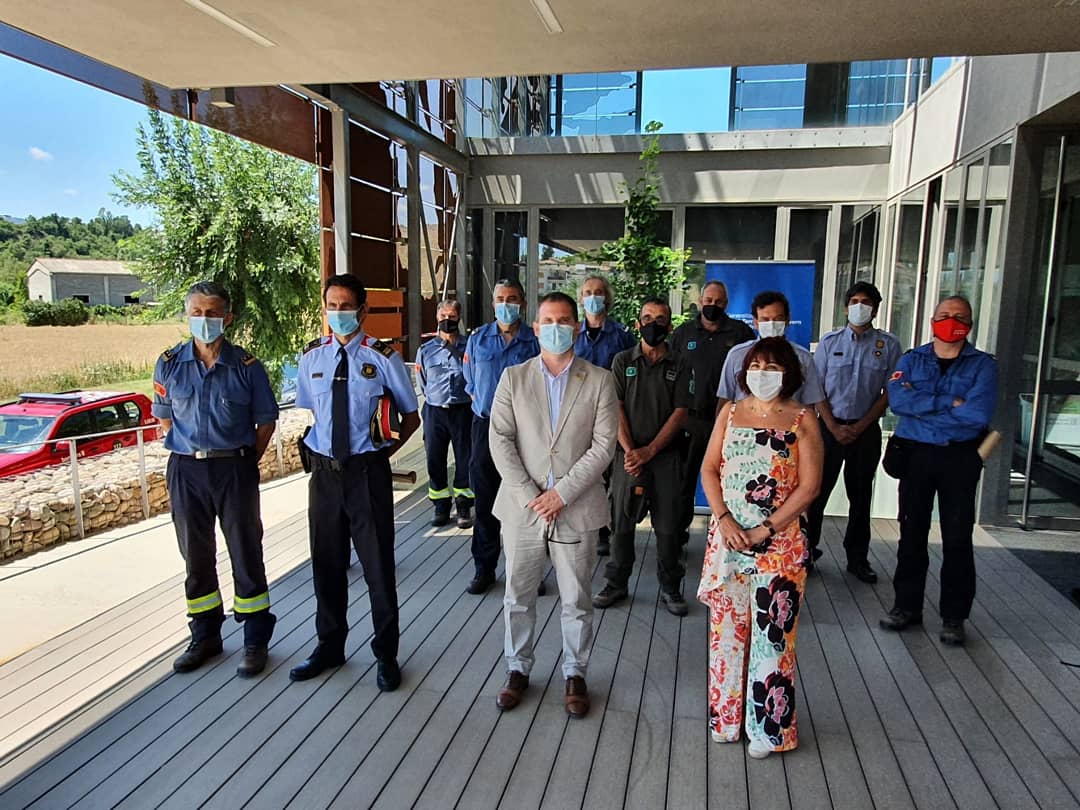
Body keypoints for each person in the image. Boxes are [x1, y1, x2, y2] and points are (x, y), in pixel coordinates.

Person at [488, 292, 618, 717]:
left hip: (575, 506)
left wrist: (561, 494)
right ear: (536, 327)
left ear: (577, 328)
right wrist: (532, 496)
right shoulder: (514, 378)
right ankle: (517, 668)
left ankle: (575, 671)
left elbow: (603, 446)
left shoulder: (599, 380)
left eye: (565, 320)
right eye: (548, 320)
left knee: (575, 597)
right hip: (522, 508)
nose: (557, 327)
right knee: (518, 594)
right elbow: (500, 439)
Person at [290, 275, 420, 690]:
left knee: (378, 568)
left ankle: (386, 653)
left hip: (367, 474)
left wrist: (381, 455)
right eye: (332, 305)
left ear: (363, 311)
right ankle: (330, 645)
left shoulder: (383, 358)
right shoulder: (311, 359)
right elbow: (314, 413)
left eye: (347, 306)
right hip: (324, 476)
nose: (339, 313)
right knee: (326, 566)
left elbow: (409, 415)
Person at [697, 337, 823, 758]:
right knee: (726, 634)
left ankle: (769, 729)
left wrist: (764, 529)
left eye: (772, 367)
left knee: (774, 639)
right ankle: (725, 719)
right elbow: (710, 469)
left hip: (780, 544)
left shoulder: (803, 418)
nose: (763, 373)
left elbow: (809, 488)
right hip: (728, 541)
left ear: (789, 373)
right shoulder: (730, 413)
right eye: (756, 365)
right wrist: (725, 519)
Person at [153, 281, 279, 678]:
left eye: (212, 313)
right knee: (195, 555)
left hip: (234, 467)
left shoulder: (247, 367)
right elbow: (164, 416)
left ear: (228, 317)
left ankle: (255, 639)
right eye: (197, 313)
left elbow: (265, 422)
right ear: (187, 315)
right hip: (186, 469)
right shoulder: (169, 363)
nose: (204, 320)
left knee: (246, 550)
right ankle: (205, 634)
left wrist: (243, 463)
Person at [880, 295, 998, 647]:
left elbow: (976, 416)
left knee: (958, 537)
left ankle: (954, 616)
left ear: (970, 325)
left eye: (959, 316)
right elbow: (898, 401)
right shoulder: (912, 359)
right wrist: (948, 403)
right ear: (932, 321)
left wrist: (924, 407)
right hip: (915, 456)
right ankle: (906, 606)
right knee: (911, 532)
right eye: (945, 315)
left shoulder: (983, 366)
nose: (951, 320)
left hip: (959, 458)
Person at [593, 298, 691, 615]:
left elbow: (680, 413)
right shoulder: (622, 360)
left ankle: (671, 587)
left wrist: (650, 450)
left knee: (668, 527)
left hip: (666, 457)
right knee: (621, 522)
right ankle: (616, 583)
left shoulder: (680, 363)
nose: (653, 324)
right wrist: (632, 450)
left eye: (660, 319)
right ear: (637, 324)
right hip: (627, 456)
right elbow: (614, 406)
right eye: (647, 318)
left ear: (670, 326)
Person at [805, 282, 901, 584]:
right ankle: (806, 552)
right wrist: (833, 426)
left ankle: (857, 559)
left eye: (867, 302)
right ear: (846, 307)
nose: (860, 306)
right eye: (855, 301)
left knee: (860, 496)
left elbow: (889, 391)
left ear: (876, 308)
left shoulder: (888, 345)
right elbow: (815, 387)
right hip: (828, 428)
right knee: (814, 494)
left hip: (865, 429)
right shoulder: (830, 341)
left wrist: (860, 426)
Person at [462, 278, 540, 594]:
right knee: (485, 503)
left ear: (522, 302)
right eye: (500, 298)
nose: (506, 304)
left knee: (529, 503)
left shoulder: (535, 342)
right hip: (486, 430)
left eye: (512, 298)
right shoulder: (477, 340)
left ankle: (530, 574)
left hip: (527, 433)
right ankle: (484, 569)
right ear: (493, 303)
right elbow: (469, 384)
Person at [671, 281, 755, 544]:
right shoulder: (684, 333)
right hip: (690, 420)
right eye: (708, 301)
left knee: (730, 481)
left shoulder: (741, 333)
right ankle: (677, 535)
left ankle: (730, 536)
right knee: (683, 482)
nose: (712, 306)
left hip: (730, 421)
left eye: (718, 302)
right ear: (700, 301)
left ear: (726, 304)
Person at [574, 273, 636, 557]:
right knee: (582, 472)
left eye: (598, 292)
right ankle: (582, 526)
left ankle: (603, 528)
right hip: (577, 414)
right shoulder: (572, 333)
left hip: (612, 415)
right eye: (588, 292)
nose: (593, 297)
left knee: (610, 475)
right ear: (581, 298)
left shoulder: (623, 335)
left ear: (607, 298)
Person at [415, 299, 474, 529]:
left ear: (459, 318)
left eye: (452, 316)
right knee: (434, 459)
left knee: (465, 459)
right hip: (435, 411)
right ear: (437, 318)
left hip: (463, 411)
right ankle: (440, 506)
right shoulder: (425, 351)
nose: (447, 320)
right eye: (443, 317)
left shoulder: (470, 347)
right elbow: (422, 383)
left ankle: (463, 505)